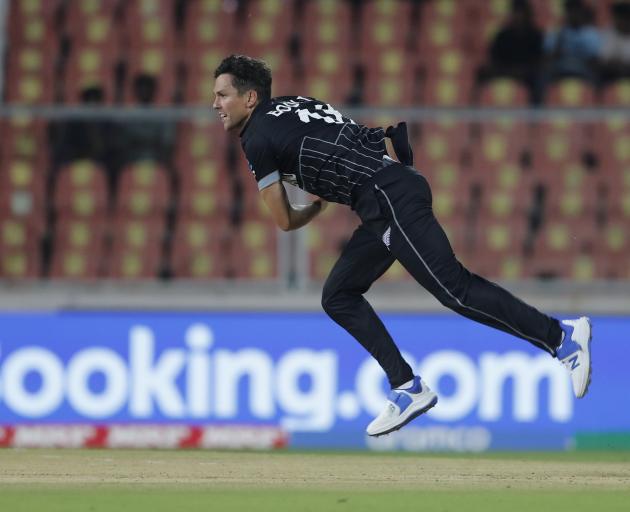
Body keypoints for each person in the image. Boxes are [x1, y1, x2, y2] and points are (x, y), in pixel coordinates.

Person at [212, 54, 593, 437]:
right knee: (338, 295)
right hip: (386, 192)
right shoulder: (300, 103)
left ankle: (562, 339)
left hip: (386, 197)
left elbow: (284, 220)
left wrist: (313, 208)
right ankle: (407, 387)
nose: (215, 105)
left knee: (454, 290)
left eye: (223, 95)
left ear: (251, 98)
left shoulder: (256, 137)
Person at [477, 0, 544, 104]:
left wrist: (525, 68)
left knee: (538, 78)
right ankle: (475, 113)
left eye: (521, 13)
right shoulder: (503, 34)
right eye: (515, 12)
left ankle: (534, 115)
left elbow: (539, 58)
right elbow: (494, 56)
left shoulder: (535, 35)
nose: (518, 16)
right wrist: (501, 67)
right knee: (481, 72)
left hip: (526, 72)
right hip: (505, 69)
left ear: (527, 14)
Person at [543, 0, 602, 86]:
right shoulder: (557, 31)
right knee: (544, 75)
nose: (573, 14)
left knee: (596, 76)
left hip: (583, 70)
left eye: (575, 11)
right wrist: (559, 40)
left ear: (581, 12)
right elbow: (548, 57)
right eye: (570, 11)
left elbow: (595, 60)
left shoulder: (590, 33)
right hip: (560, 70)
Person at [598, 1, 630, 84]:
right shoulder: (608, 33)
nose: (620, 21)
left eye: (624, 18)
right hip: (612, 76)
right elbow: (604, 59)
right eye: (618, 18)